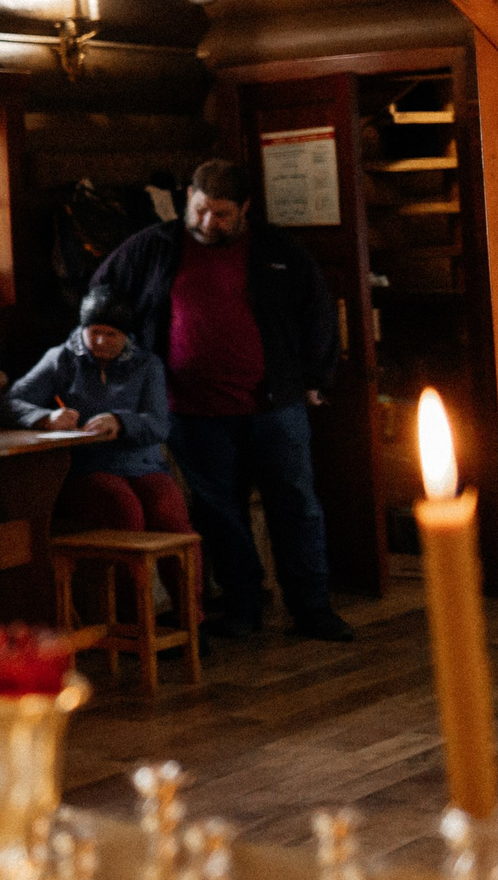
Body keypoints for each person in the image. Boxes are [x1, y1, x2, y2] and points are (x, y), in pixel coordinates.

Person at [91, 158, 348, 641]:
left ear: (245, 209)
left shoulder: (278, 250)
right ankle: (242, 609)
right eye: (202, 210)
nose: (210, 223)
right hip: (191, 410)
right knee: (219, 512)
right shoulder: (154, 247)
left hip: (275, 406)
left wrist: (317, 377)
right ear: (189, 198)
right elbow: (101, 300)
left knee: (296, 506)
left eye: (223, 214)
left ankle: (313, 608)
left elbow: (318, 312)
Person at [2, 286, 192, 536]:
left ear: (126, 336)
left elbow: (159, 424)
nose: (101, 341)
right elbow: (10, 402)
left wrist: (121, 422)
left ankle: (187, 576)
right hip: (86, 466)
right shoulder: (62, 359)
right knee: (124, 509)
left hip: (142, 465)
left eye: (111, 334)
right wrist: (46, 418)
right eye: (94, 332)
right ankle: (128, 576)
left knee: (171, 515)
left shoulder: (147, 365)